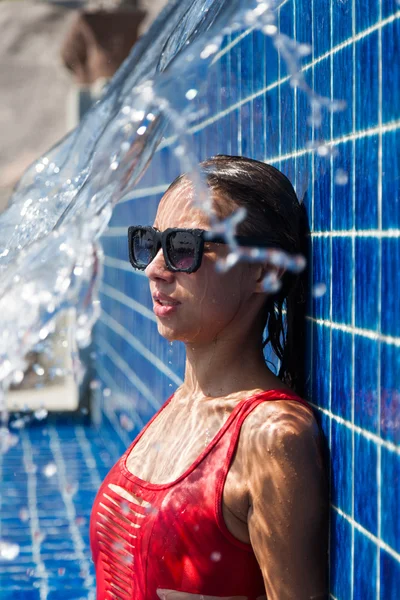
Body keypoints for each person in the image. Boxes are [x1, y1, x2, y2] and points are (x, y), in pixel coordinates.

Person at [90, 155, 328, 600]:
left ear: (264, 270)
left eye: (185, 246)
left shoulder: (271, 437)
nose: (156, 268)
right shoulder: (183, 406)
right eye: (152, 243)